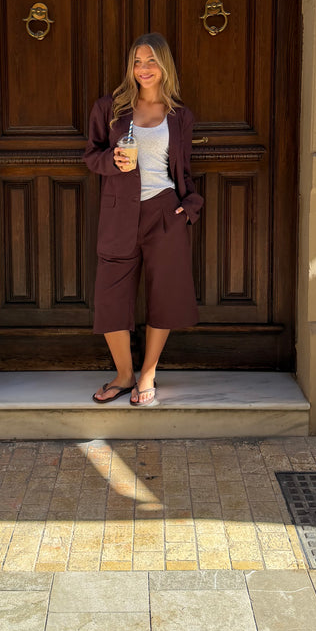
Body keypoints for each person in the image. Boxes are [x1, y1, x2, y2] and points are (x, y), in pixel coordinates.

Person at [83, 33, 203, 406]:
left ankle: (148, 372)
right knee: (111, 294)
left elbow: (184, 169)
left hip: (164, 211)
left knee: (164, 293)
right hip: (119, 212)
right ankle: (123, 374)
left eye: (151, 61)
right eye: (137, 62)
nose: (143, 69)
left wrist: (190, 205)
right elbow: (92, 155)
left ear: (164, 65)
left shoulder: (180, 116)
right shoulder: (111, 109)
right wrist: (112, 161)